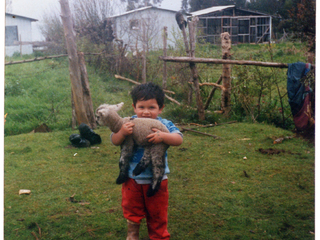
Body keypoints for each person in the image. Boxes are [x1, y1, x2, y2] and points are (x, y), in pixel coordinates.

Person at [111, 82, 183, 240]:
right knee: (132, 209)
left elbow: (178, 139)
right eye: (141, 107)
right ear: (134, 107)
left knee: (157, 212)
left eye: (151, 107)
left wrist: (163, 136)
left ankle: (159, 236)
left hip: (156, 179)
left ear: (161, 108)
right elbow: (115, 141)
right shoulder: (129, 122)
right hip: (131, 179)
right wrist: (122, 133)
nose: (146, 112)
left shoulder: (164, 124)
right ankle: (132, 235)